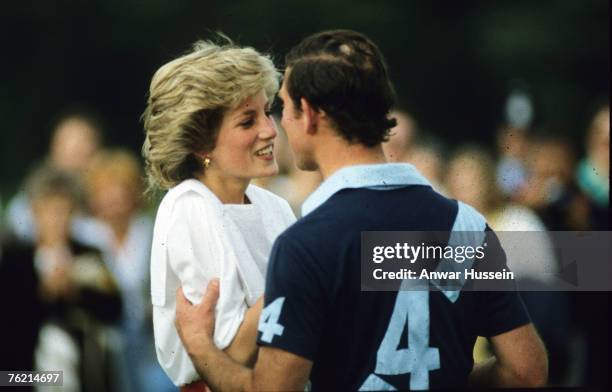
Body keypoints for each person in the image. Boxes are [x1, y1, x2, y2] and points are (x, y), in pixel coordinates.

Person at [174, 29, 548, 390]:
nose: (278, 126)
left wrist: (200, 347)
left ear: (310, 113)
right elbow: (527, 371)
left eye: (284, 108)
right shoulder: (467, 225)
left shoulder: (306, 244)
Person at [142, 40, 296, 390]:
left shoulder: (274, 206)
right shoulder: (189, 205)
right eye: (247, 121)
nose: (270, 130)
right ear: (201, 144)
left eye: (267, 112)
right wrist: (305, 273)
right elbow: (228, 356)